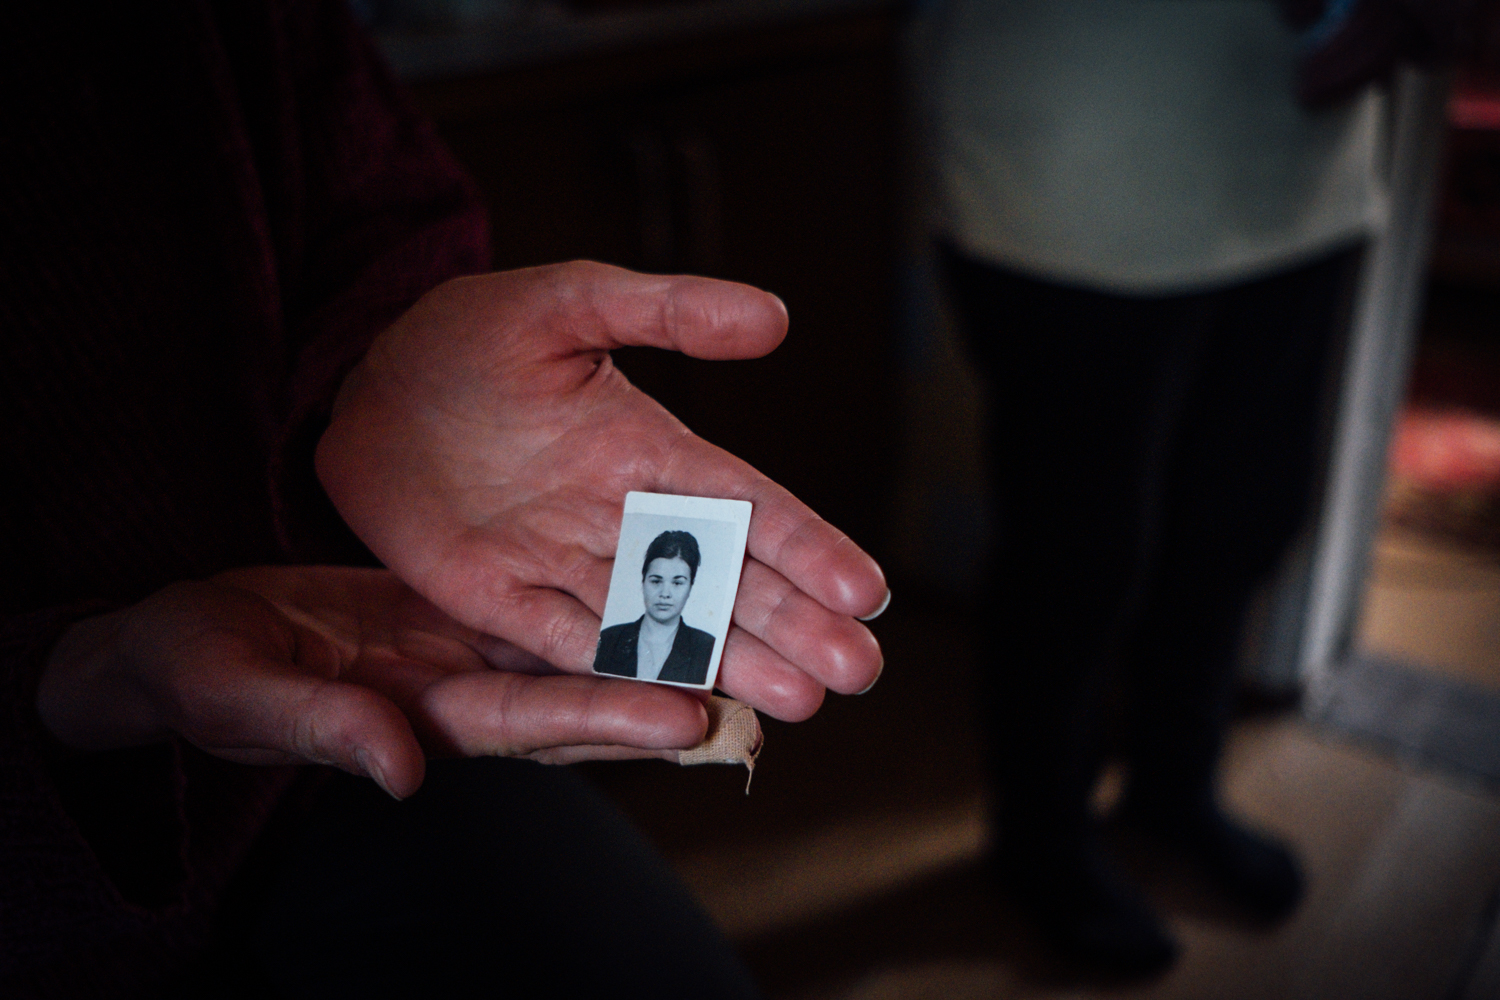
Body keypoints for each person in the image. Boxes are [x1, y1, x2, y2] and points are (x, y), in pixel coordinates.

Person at [2, 3, 887, 996]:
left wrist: (376, 355)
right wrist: (63, 683)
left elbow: (365, 195)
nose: (673, 583)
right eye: (668, 571)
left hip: (359, 705)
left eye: (679, 572)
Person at [922, 0, 1401, 975]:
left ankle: (1174, 791)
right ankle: (1041, 838)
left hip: (1301, 166)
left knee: (1241, 518)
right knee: (1076, 557)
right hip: (1077, 168)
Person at [595, 531, 717, 685]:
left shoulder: (707, 649)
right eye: (656, 581)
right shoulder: (608, 640)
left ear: (690, 587)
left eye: (678, 583)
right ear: (643, 581)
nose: (665, 594)